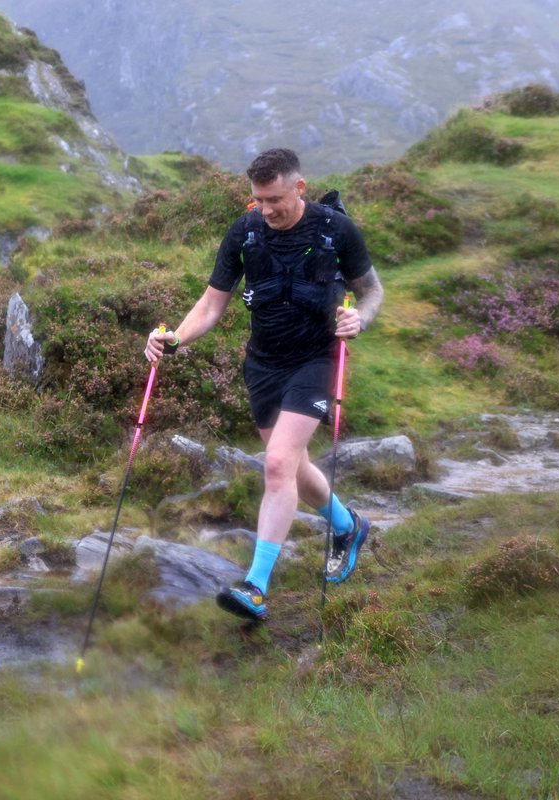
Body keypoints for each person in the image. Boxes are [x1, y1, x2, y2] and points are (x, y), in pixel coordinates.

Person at [144, 147, 384, 622]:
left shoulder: (337, 231)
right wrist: (174, 340)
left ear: (299, 187)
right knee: (292, 468)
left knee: (275, 465)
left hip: (316, 359)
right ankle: (348, 525)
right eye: (258, 199)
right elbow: (211, 306)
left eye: (275, 199)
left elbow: (372, 290)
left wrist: (361, 319)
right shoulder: (245, 231)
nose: (267, 209)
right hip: (263, 365)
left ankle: (255, 586)